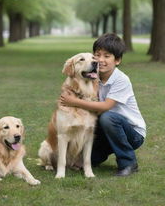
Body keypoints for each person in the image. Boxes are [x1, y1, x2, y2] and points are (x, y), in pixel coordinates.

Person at [60, 33, 146, 177]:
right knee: (81, 161)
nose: (100, 60)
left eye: (107, 56)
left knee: (107, 117)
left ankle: (128, 163)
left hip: (132, 133)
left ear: (117, 60)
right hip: (106, 129)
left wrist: (74, 102)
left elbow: (106, 107)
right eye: (97, 55)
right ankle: (92, 157)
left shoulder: (121, 79)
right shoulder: (93, 76)